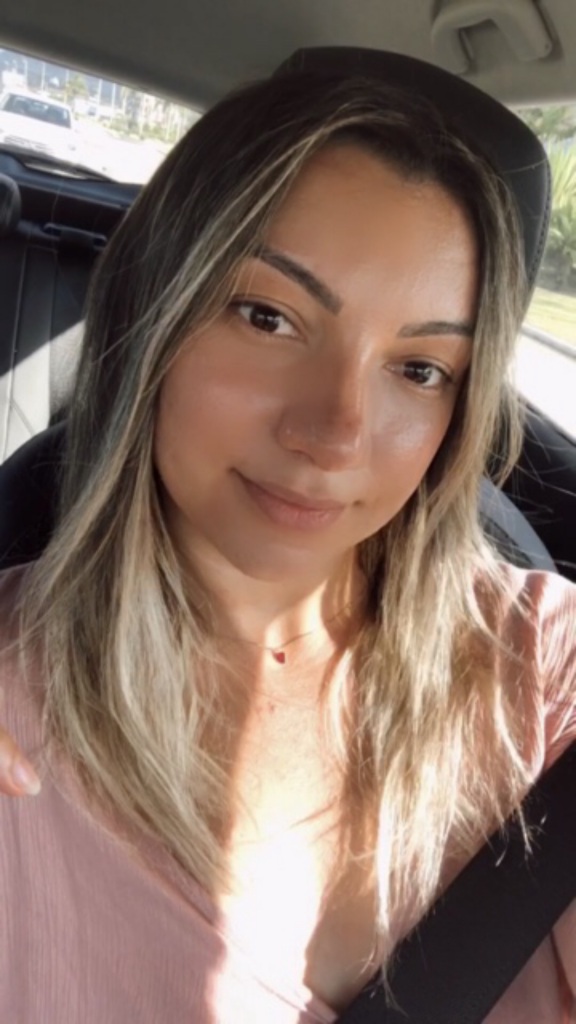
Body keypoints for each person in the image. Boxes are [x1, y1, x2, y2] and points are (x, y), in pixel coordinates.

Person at [0, 63, 573, 1024]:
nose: (336, 433)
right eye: (268, 317)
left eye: (419, 368)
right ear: (152, 314)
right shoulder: (14, 688)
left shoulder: (544, 669)